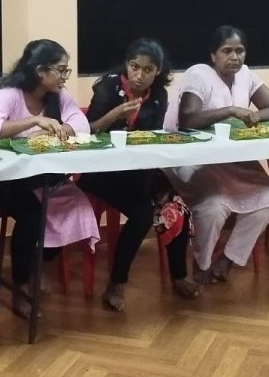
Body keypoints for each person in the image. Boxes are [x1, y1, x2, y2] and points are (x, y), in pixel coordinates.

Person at [0, 39, 100, 319]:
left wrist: (59, 129)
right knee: (33, 215)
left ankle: (37, 265)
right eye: (61, 70)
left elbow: (81, 124)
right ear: (41, 71)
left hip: (41, 177)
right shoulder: (9, 94)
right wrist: (33, 122)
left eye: (67, 70)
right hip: (4, 179)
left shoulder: (58, 95)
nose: (65, 76)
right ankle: (21, 284)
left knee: (78, 206)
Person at [76, 38, 199, 311]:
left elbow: (150, 139)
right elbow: (87, 131)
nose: (139, 75)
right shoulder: (108, 87)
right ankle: (117, 283)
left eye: (147, 70)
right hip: (100, 171)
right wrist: (115, 115)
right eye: (134, 67)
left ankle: (179, 276)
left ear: (157, 71)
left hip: (138, 171)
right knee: (143, 212)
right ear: (127, 65)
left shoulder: (158, 95)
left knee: (176, 202)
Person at [163, 27, 269, 282]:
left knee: (268, 199)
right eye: (226, 51)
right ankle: (202, 263)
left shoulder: (246, 75)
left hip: (232, 159)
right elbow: (188, 119)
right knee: (215, 206)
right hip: (193, 160)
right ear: (213, 55)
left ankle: (228, 259)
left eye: (240, 51)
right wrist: (231, 111)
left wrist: (252, 115)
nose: (234, 57)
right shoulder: (199, 74)